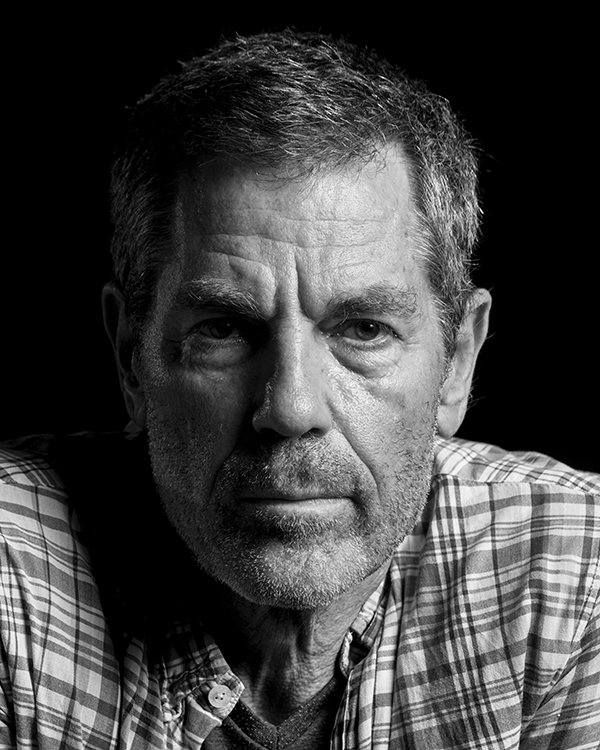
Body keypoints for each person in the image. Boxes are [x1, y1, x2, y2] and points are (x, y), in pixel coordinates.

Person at [0, 30, 598, 750]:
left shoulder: (573, 577)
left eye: (364, 330)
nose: (289, 408)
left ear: (458, 362)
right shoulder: (10, 580)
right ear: (132, 357)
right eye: (224, 328)